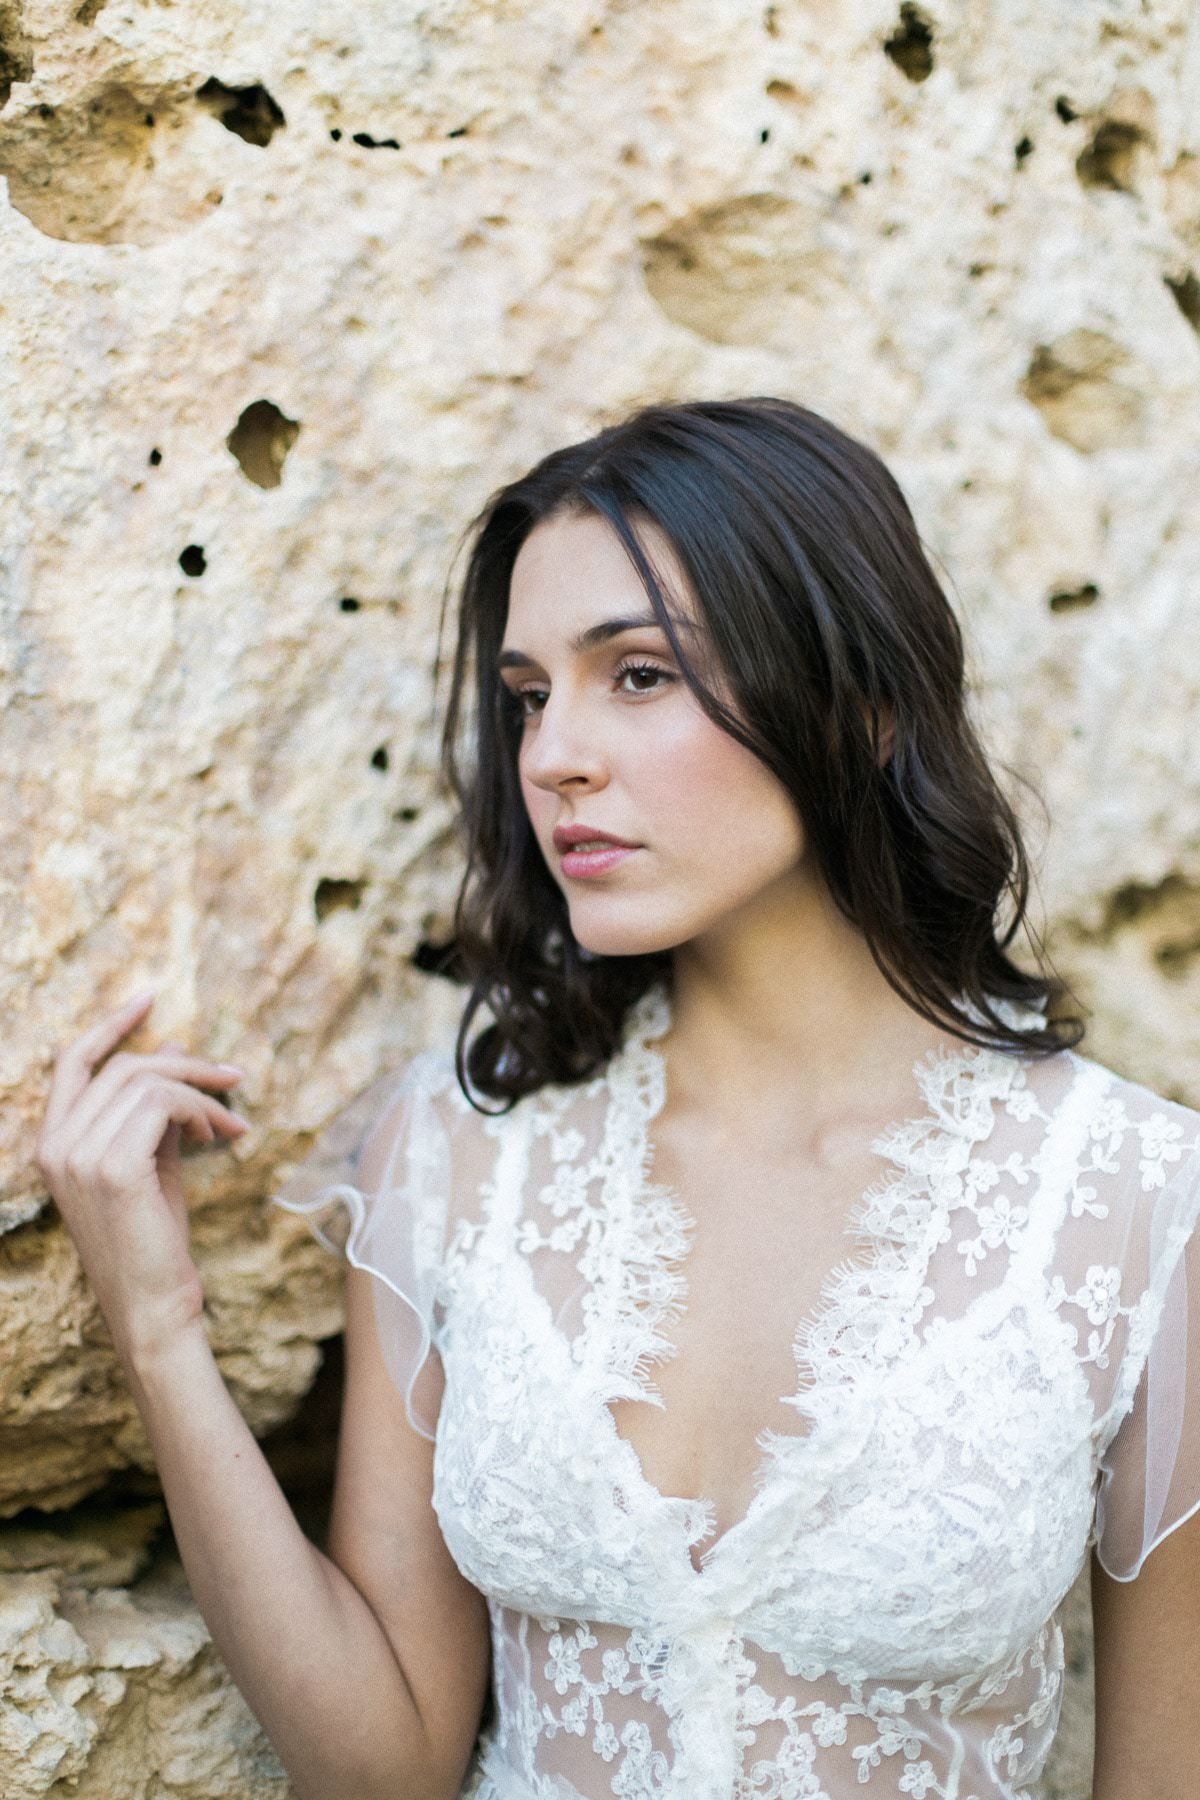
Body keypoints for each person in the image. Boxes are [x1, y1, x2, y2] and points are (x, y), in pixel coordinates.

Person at [36, 396, 1200, 1799]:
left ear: (863, 701)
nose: (551, 758)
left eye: (637, 675)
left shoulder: (1140, 1204)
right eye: (530, 696)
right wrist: (160, 1336)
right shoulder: (458, 1151)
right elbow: (379, 1766)